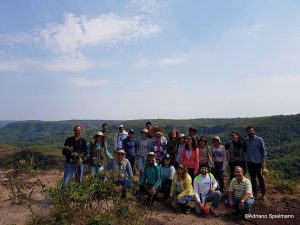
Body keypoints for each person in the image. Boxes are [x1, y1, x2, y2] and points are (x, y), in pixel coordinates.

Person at [244, 126, 267, 199]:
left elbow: (263, 152)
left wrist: (263, 163)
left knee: (260, 178)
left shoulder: (259, 140)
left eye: (252, 131)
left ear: (254, 131)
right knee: (253, 179)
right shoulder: (246, 140)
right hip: (250, 162)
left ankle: (263, 194)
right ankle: (255, 193)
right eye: (249, 131)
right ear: (247, 132)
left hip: (258, 163)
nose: (251, 132)